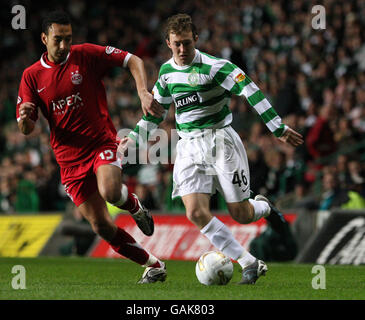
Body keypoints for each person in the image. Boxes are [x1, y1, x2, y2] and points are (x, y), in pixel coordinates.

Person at [119, 13, 304, 284]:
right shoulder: (167, 73)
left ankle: (263, 207)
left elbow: (249, 89)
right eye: (176, 44)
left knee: (241, 214)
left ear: (195, 39)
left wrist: (277, 127)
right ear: (168, 43)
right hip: (188, 146)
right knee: (194, 212)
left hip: (221, 142)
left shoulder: (216, 67)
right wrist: (132, 140)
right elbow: (155, 114)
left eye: (186, 43)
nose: (182, 50)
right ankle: (248, 262)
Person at [16, 11, 166, 284]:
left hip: (101, 143)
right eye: (58, 40)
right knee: (101, 226)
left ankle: (134, 206)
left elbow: (132, 60)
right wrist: (25, 119)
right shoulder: (31, 77)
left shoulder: (85, 55)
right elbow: (26, 129)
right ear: (44, 39)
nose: (64, 46)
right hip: (68, 161)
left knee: (110, 191)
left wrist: (143, 92)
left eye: (68, 39)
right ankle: (153, 265)